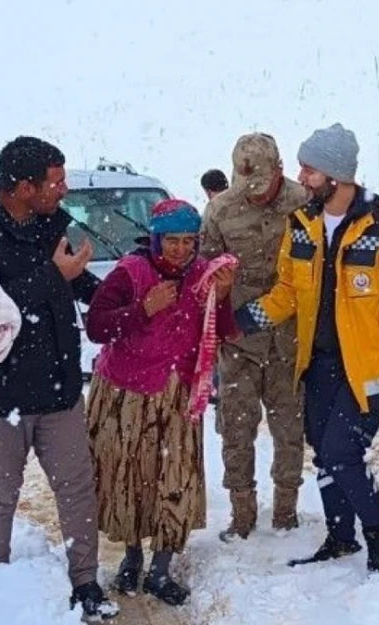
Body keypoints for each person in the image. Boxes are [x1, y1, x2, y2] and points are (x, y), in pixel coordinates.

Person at [234, 123, 379, 575]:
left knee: (342, 453)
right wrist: (238, 323)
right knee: (323, 449)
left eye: (310, 170)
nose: (302, 178)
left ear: (337, 176)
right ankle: (341, 537)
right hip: (317, 364)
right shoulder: (302, 226)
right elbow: (285, 293)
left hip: (368, 368)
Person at [0, 136, 119, 620]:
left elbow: (77, 277)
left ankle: (85, 582)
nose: (64, 190)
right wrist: (52, 275)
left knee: (77, 487)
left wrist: (120, 302)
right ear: (24, 187)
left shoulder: (51, 220)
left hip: (59, 387)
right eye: (56, 182)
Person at [85, 199, 236, 605]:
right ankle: (132, 556)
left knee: (175, 478)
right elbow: (96, 326)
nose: (181, 250)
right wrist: (143, 308)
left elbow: (225, 331)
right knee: (129, 476)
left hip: (178, 395)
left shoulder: (205, 276)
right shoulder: (130, 273)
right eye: (172, 240)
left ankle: (161, 568)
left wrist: (221, 298)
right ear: (155, 238)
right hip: (127, 394)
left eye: (189, 241)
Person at [201, 133, 311, 542]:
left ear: (279, 170)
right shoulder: (220, 209)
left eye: (261, 186)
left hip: (290, 339)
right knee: (236, 428)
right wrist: (219, 286)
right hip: (239, 342)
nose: (254, 195)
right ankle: (242, 512)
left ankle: (286, 510)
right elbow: (203, 270)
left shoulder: (304, 203)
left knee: (289, 428)